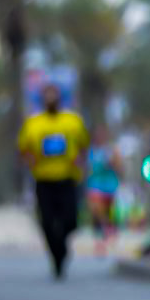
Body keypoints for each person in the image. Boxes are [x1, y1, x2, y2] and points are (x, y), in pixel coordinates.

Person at [18, 83, 89, 279]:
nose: (51, 99)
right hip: (44, 180)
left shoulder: (72, 121)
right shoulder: (33, 124)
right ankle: (57, 257)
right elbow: (24, 149)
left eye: (54, 95)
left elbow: (84, 145)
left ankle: (62, 246)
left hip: (67, 179)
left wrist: (81, 161)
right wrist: (30, 160)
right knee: (47, 222)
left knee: (71, 220)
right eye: (46, 95)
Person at [83, 142, 121, 254]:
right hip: (95, 185)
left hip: (109, 186)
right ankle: (99, 240)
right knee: (97, 212)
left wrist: (112, 162)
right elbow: (87, 168)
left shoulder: (111, 150)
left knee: (108, 213)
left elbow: (118, 168)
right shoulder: (91, 151)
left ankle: (109, 230)